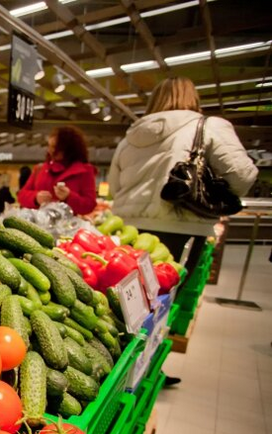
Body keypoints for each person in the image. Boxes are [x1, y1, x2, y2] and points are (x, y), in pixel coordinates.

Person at [109, 76, 257, 386]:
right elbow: (243, 175)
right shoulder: (208, 126)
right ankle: (145, 370)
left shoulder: (132, 135)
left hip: (128, 231)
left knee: (126, 305)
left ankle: (118, 370)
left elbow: (116, 184)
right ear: (192, 96)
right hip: (180, 228)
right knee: (162, 303)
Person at [18, 127, 98, 215]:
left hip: (68, 226)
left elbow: (90, 205)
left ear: (68, 149)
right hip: (38, 223)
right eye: (49, 146)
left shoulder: (84, 171)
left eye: (55, 147)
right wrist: (36, 198)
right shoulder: (40, 169)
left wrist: (69, 196)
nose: (50, 151)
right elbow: (22, 196)